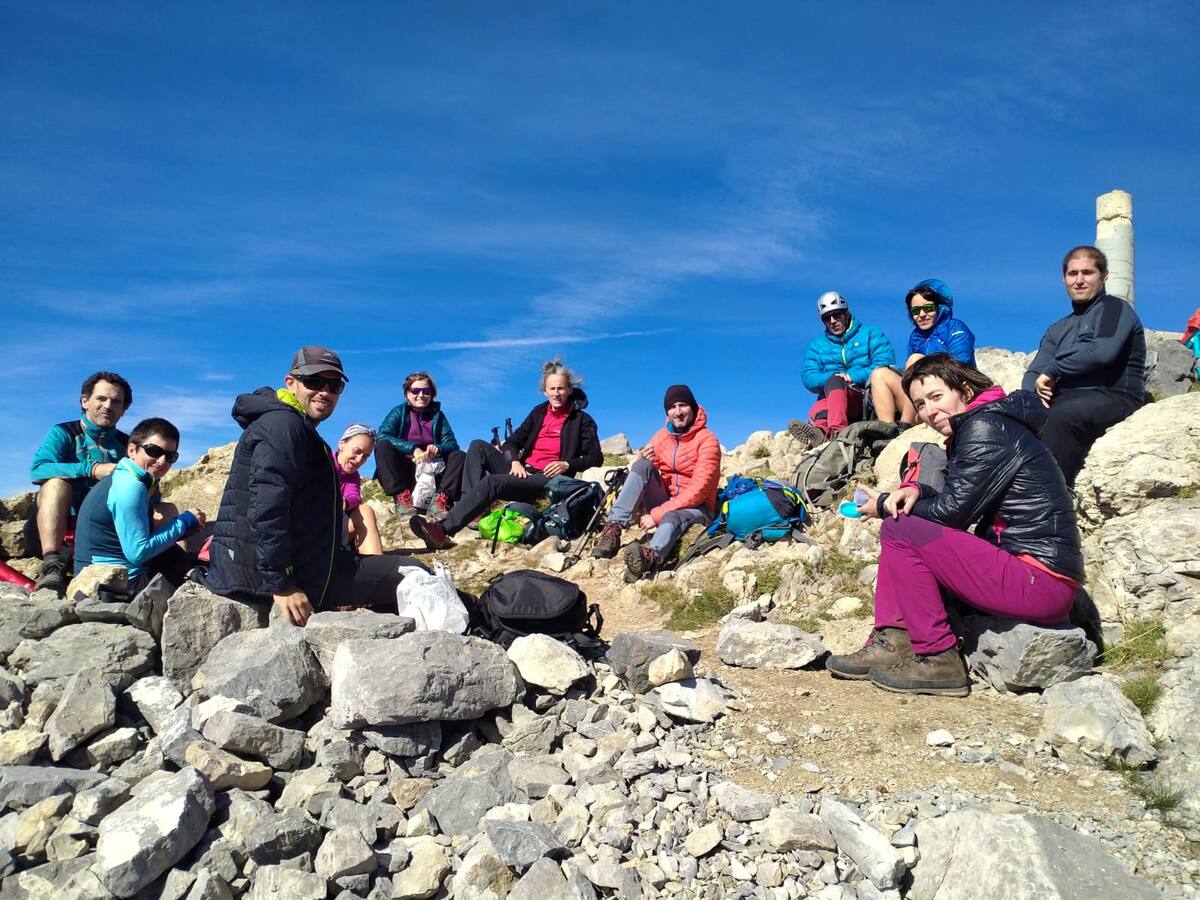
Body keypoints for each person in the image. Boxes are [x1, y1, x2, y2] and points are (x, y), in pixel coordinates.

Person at [826, 354, 1084, 697]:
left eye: (936, 397)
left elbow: (952, 514)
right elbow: (958, 501)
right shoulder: (988, 423)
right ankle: (895, 641)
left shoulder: (985, 427)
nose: (929, 412)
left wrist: (886, 504)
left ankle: (937, 657)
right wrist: (917, 491)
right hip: (1036, 575)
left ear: (965, 390)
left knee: (899, 528)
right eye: (920, 404)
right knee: (902, 526)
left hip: (1039, 580)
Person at [205, 347, 418, 625]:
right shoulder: (283, 426)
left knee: (404, 573)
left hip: (304, 566)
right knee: (414, 573)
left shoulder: (293, 425)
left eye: (334, 386)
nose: (325, 392)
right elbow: (267, 507)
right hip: (272, 578)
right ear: (290, 383)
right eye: (314, 382)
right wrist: (282, 584)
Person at [410, 358, 602, 550]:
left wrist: (567, 464)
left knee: (493, 482)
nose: (556, 393)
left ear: (570, 390)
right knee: (477, 446)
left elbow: (595, 457)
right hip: (522, 472)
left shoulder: (582, 420)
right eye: (552, 389)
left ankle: (443, 529)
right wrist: (514, 461)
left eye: (561, 388)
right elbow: (511, 443)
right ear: (545, 391)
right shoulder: (539, 413)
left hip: (546, 479)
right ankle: (472, 508)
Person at [1022, 246, 1146, 487]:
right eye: (1072, 273)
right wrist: (1032, 398)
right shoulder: (1058, 328)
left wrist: (1053, 370)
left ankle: (1050, 500)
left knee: (1062, 417)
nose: (1079, 280)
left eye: (1087, 273)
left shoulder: (1115, 308)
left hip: (1113, 396)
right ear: (1064, 279)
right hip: (1063, 400)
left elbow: (1102, 353)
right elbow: (1034, 372)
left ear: (1104, 276)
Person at [591, 385, 721, 581]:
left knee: (672, 516)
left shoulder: (707, 440)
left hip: (698, 507)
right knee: (643, 465)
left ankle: (650, 557)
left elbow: (699, 489)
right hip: (666, 498)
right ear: (667, 412)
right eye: (672, 407)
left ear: (693, 408)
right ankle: (613, 529)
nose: (678, 412)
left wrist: (656, 515)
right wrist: (643, 458)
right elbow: (643, 471)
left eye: (683, 405)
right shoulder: (662, 436)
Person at [28, 371, 134, 595]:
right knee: (55, 484)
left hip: (102, 535)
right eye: (101, 398)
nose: (108, 406)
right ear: (85, 401)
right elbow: (38, 469)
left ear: (124, 409)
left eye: (116, 401)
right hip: (58, 531)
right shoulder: (64, 433)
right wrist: (92, 469)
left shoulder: (128, 445)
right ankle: (52, 565)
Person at [73, 418, 206, 592]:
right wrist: (184, 522)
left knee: (182, 557)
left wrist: (183, 529)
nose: (162, 461)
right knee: (202, 570)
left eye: (170, 456)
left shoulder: (124, 478)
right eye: (153, 451)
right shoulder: (131, 487)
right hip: (113, 584)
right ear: (132, 450)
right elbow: (138, 552)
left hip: (95, 577)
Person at [792, 291, 909, 447]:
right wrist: (835, 377)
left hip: (867, 398)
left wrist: (851, 376)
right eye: (827, 318)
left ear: (846, 313)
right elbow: (808, 376)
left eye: (837, 315)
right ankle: (820, 432)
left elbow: (884, 362)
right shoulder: (817, 345)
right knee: (825, 398)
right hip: (834, 399)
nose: (832, 321)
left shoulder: (870, 333)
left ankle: (837, 433)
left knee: (834, 383)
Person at [374, 372, 466, 519]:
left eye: (426, 391)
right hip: (406, 469)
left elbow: (452, 444)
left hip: (432, 470)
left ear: (431, 394)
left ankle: (439, 500)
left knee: (459, 455)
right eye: (415, 391)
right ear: (407, 394)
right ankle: (401, 497)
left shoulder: (438, 416)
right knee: (382, 445)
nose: (421, 395)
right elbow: (382, 435)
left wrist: (438, 448)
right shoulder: (399, 412)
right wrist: (413, 449)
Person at [903, 278, 976, 368]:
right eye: (915, 310)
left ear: (941, 307)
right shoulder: (916, 336)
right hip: (926, 375)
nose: (922, 315)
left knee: (915, 359)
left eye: (928, 308)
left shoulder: (954, 328)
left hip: (957, 375)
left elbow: (961, 363)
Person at [334, 424, 382, 556]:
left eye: (365, 456)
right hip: (311, 526)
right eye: (357, 451)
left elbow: (354, 496)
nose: (359, 460)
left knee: (365, 511)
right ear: (342, 444)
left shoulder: (353, 476)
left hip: (333, 527)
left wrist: (345, 502)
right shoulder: (321, 463)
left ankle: (374, 561)